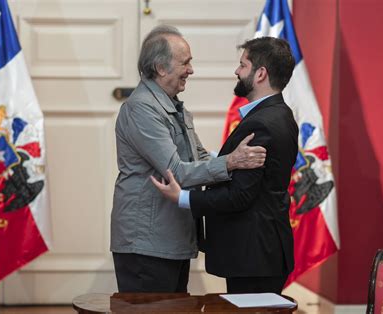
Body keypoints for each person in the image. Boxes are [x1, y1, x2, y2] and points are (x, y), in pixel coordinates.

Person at [110, 25, 267, 293]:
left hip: (169, 239)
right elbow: (176, 172)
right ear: (161, 68)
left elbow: (200, 157)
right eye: (186, 62)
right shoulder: (141, 109)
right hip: (147, 245)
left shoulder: (173, 106)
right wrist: (232, 162)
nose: (191, 70)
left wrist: (234, 157)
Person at [152, 36, 299, 294]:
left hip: (254, 255)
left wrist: (183, 198)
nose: (236, 71)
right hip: (262, 251)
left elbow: (240, 195)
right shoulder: (279, 114)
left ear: (260, 73)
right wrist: (215, 159)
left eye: (243, 65)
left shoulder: (261, 123)